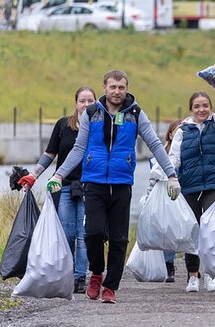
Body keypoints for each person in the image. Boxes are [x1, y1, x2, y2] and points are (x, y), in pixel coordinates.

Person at [46, 70, 181, 304]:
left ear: (127, 88)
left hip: (121, 184)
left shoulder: (136, 114)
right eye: (113, 87)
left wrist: (171, 174)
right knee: (94, 233)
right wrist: (58, 175)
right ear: (105, 88)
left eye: (121, 87)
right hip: (94, 182)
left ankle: (110, 287)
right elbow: (79, 148)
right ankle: (96, 272)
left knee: (119, 239)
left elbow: (155, 144)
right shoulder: (92, 113)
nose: (117, 91)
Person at [17, 86, 96, 294]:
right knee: (66, 234)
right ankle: (66, 274)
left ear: (96, 103)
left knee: (84, 234)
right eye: (82, 101)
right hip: (65, 186)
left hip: (90, 186)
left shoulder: (99, 125)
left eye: (90, 101)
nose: (86, 105)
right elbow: (50, 153)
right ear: (75, 103)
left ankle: (80, 277)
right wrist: (34, 175)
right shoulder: (63, 125)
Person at [169, 76, 215, 293]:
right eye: (197, 106)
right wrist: (171, 178)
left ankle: (210, 275)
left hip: (214, 186)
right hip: (189, 187)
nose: (201, 109)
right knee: (192, 232)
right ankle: (192, 276)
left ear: (210, 107)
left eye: (205, 105)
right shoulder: (182, 131)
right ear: (191, 109)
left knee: (212, 231)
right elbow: (173, 158)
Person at [145, 119, 182, 283]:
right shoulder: (160, 154)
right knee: (164, 231)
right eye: (177, 130)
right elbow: (152, 177)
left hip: (181, 195)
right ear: (170, 133)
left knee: (180, 231)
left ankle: (183, 265)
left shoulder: (187, 151)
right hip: (163, 197)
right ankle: (166, 264)